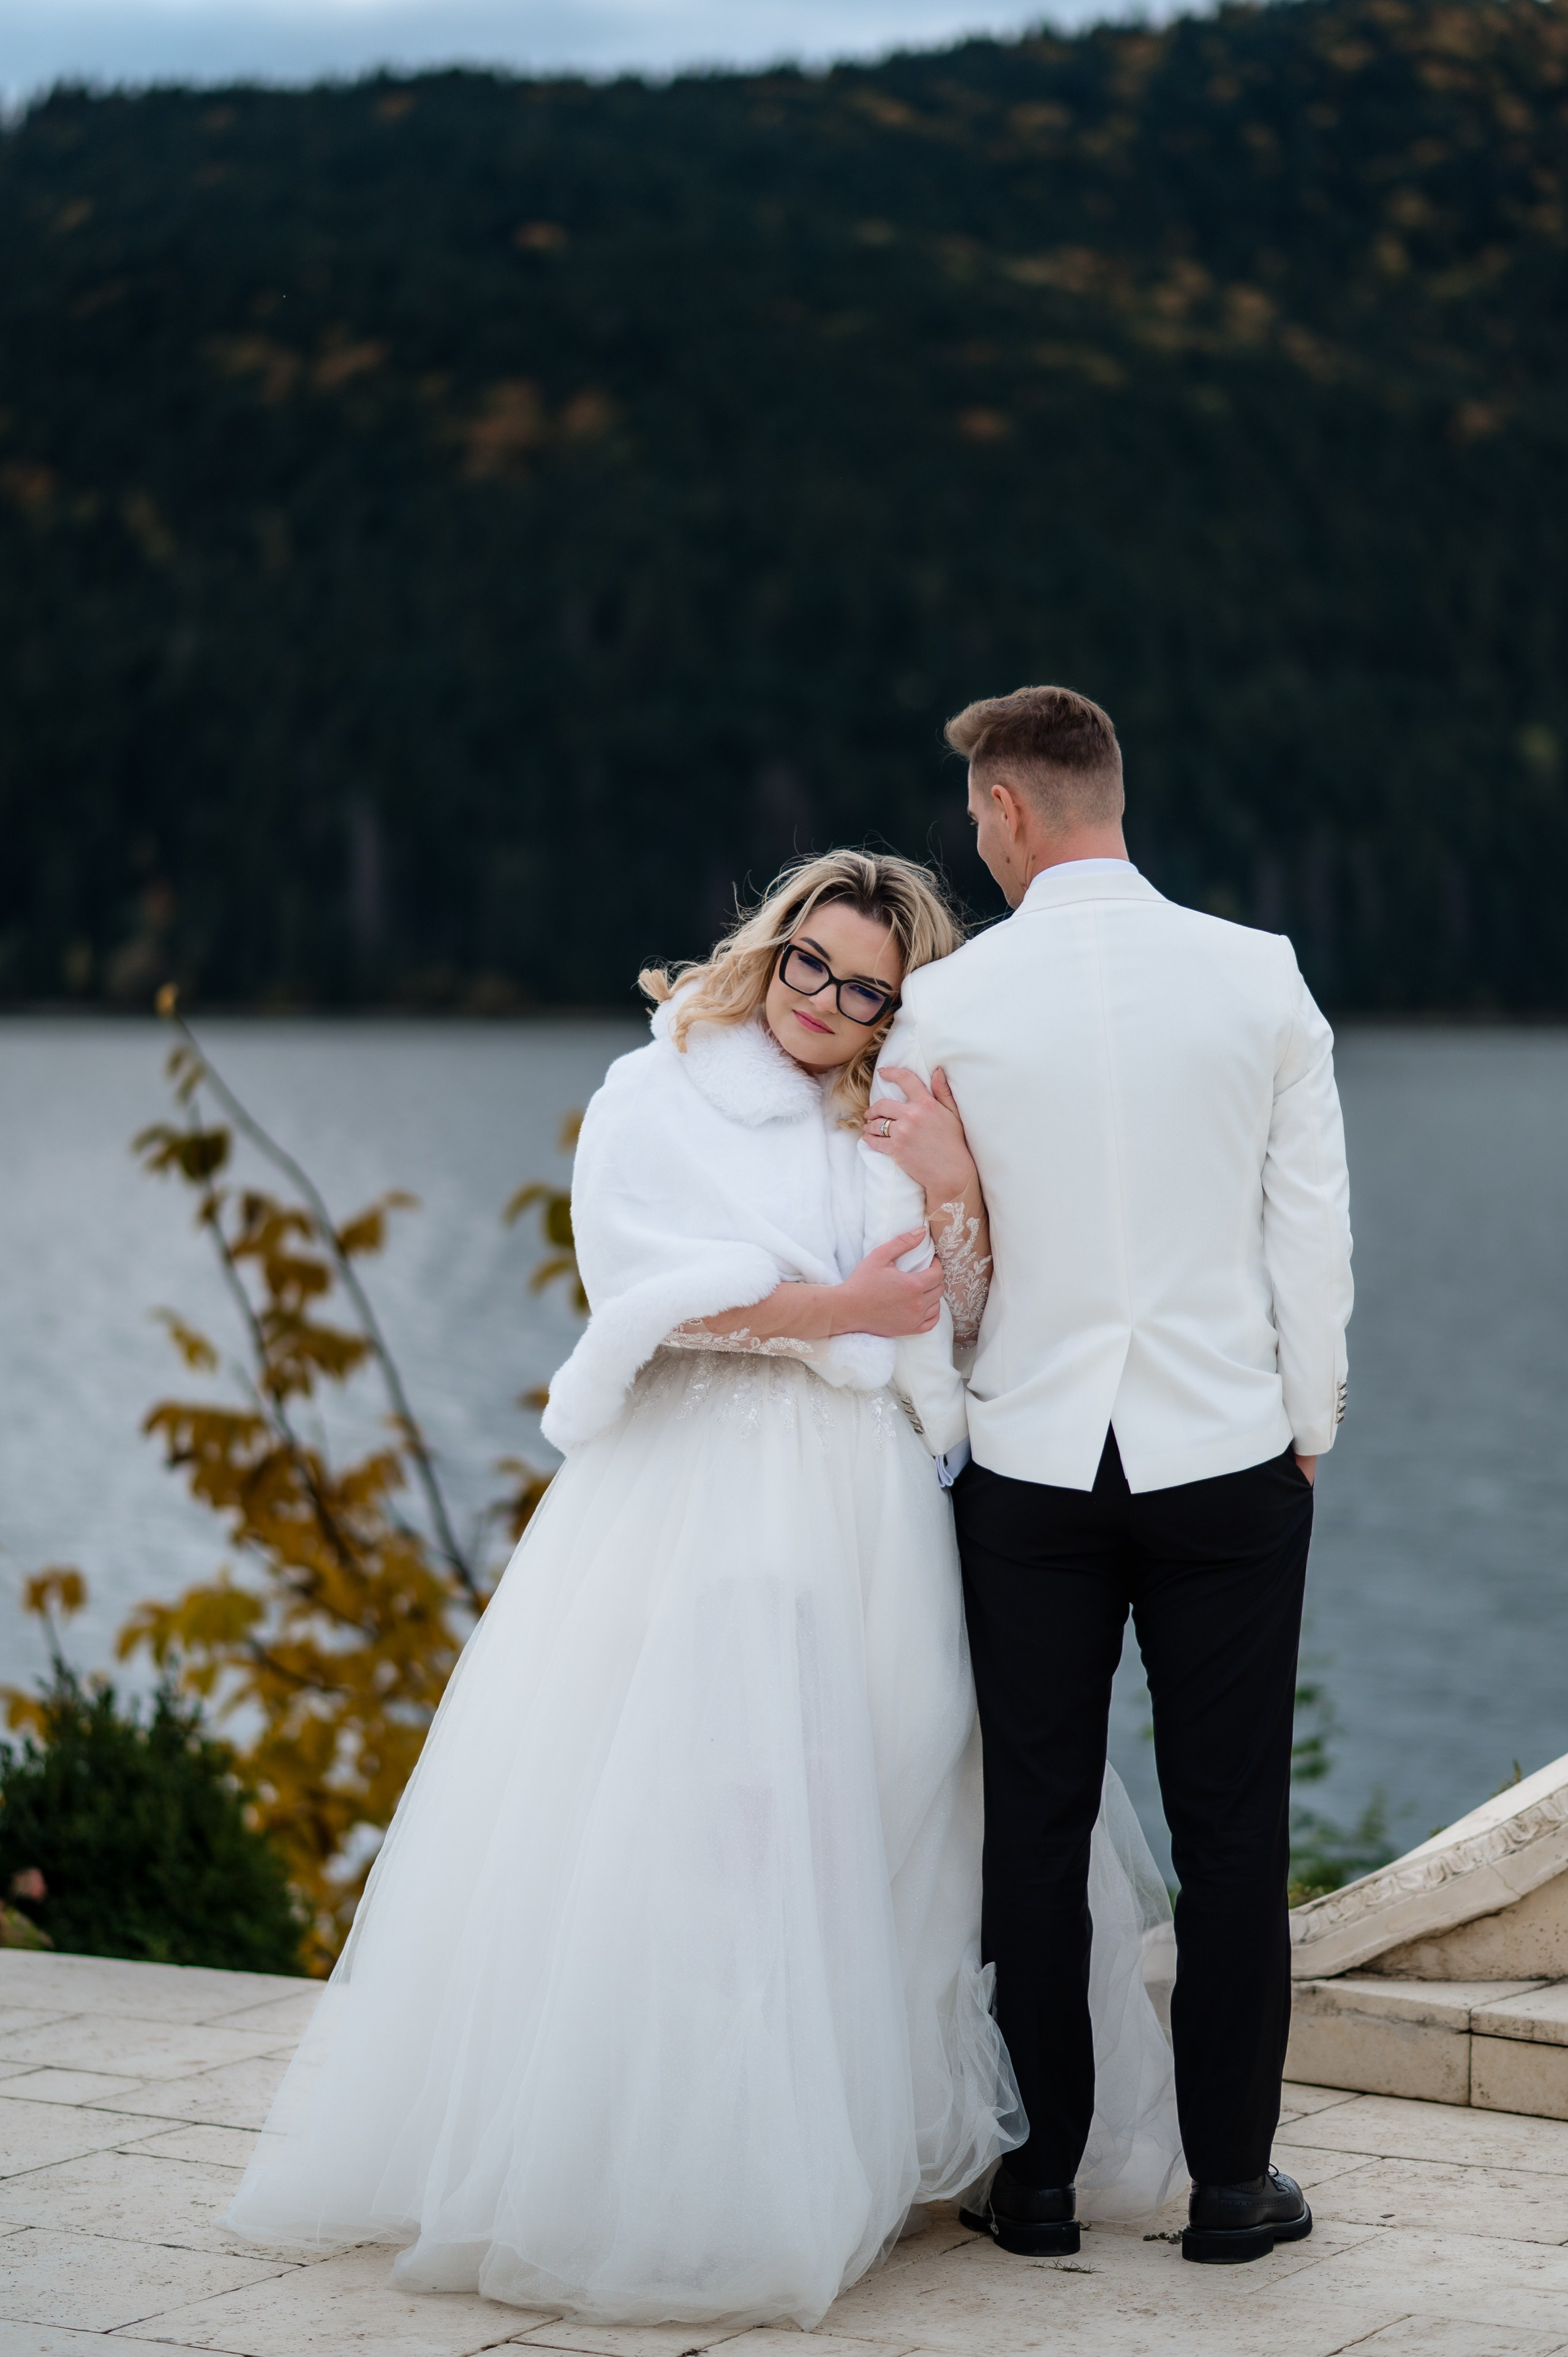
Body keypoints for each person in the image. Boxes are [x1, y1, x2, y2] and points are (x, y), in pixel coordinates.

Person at [224, 848, 1182, 2329]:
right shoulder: (653, 1089)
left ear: (896, 1008)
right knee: (705, 1812)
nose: (825, 1004)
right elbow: (640, 1299)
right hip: (697, 1486)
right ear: (773, 942)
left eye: (865, 992)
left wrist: (945, 1184)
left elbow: (965, 1317)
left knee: (889, 1798)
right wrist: (838, 1309)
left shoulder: (898, 1114)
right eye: (812, 963)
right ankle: (687, 2163)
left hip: (871, 1500)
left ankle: (860, 2141)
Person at [862, 686, 1353, 2266]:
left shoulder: (947, 1007)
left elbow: (918, 1249)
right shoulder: (1258, 973)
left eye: (976, 819)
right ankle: (1229, 2188)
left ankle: (1039, 2183)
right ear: (1108, 793)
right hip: (1226, 1456)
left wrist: (948, 1423)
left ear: (1007, 808)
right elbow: (1308, 1233)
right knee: (1231, 1833)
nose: (977, 843)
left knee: (1031, 1825)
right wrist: (1307, 1416)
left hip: (1026, 1462)